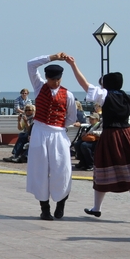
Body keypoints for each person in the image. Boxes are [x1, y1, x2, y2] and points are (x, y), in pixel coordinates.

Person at [66, 65, 130, 222]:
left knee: (101, 169)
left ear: (106, 85)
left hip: (110, 135)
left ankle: (97, 208)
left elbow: (84, 84)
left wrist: (73, 66)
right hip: (128, 135)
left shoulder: (104, 95)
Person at [26, 53, 78, 221]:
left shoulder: (68, 95)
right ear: (46, 77)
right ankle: (45, 209)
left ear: (60, 79)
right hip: (40, 130)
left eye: (56, 80)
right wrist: (52, 57)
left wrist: (59, 126)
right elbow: (31, 64)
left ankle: (61, 202)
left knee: (62, 169)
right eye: (51, 79)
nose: (54, 82)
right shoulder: (39, 86)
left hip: (58, 132)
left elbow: (71, 117)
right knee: (39, 170)